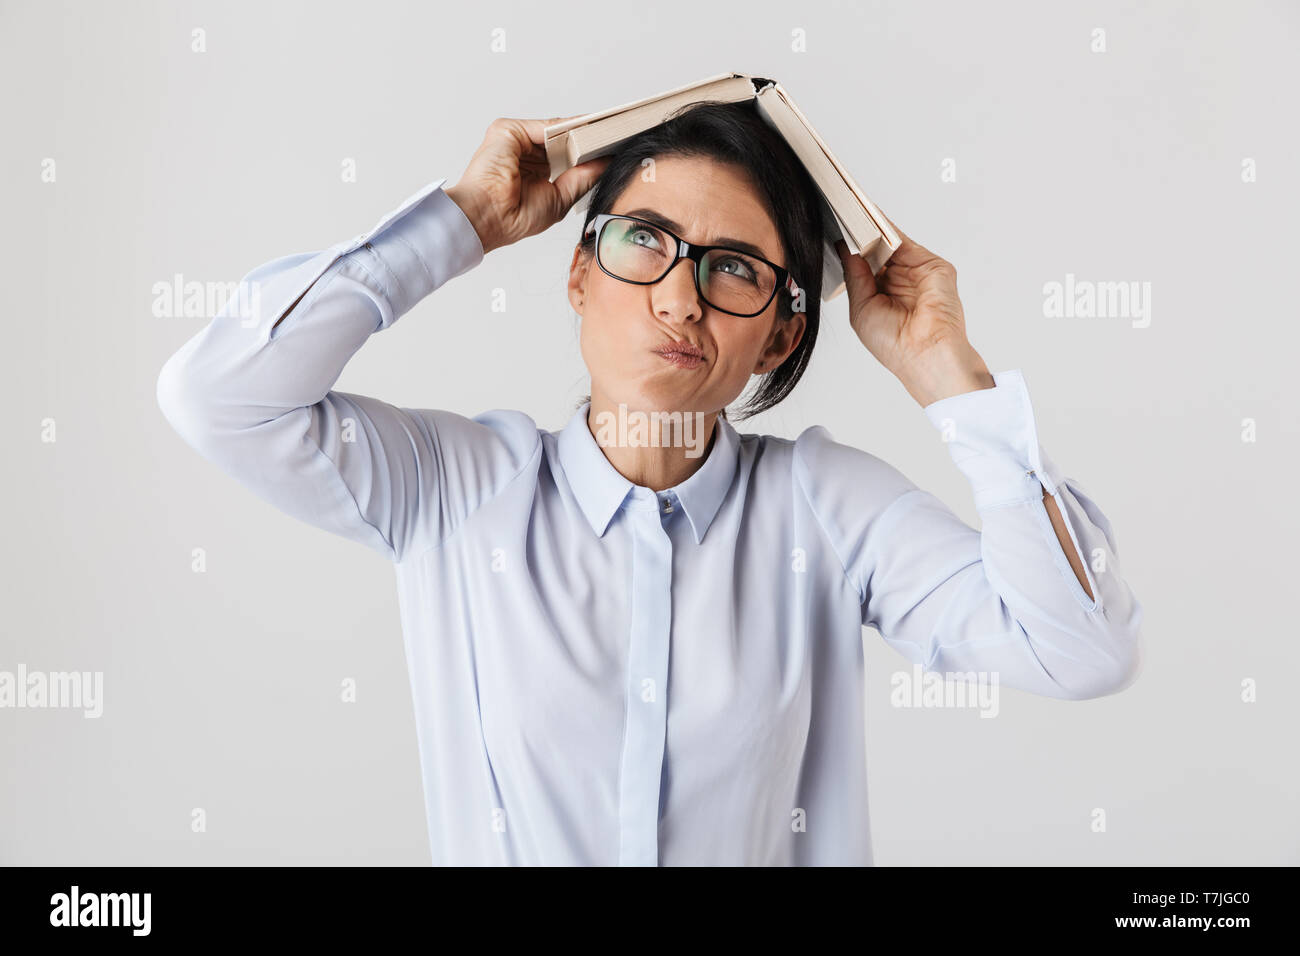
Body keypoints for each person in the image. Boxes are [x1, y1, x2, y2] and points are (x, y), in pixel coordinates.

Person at [156, 101, 1143, 866]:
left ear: (781, 333)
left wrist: (946, 369)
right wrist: (462, 223)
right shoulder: (454, 488)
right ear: (577, 276)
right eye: (643, 242)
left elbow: (1078, 648)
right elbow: (220, 398)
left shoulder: (829, 510)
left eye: (733, 268)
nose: (678, 295)